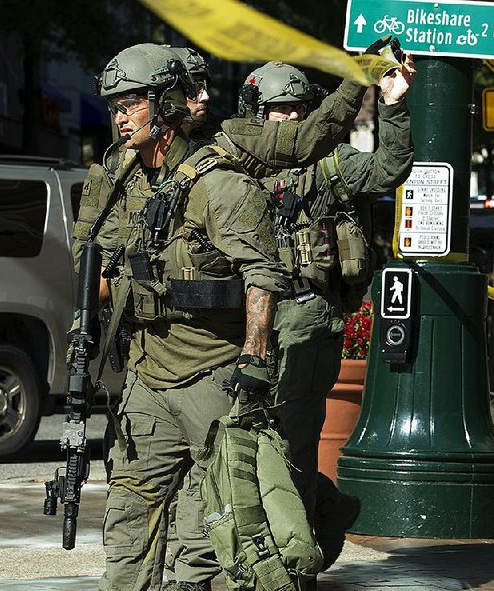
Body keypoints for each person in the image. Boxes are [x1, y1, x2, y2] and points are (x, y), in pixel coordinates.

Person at [85, 43, 290, 591]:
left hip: (212, 379)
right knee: (127, 527)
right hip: (146, 378)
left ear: (167, 105)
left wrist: (254, 358)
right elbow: (99, 271)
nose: (120, 116)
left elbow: (263, 275)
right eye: (115, 106)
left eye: (131, 103)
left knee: (207, 539)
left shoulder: (220, 186)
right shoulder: (122, 187)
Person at [234, 49, 415, 573]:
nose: (287, 118)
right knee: (245, 440)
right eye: (275, 110)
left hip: (305, 318)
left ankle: (300, 552)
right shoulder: (234, 165)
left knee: (293, 439)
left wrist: (393, 105)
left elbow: (389, 170)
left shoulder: (330, 163)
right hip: (244, 322)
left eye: (295, 108)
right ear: (256, 115)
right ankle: (317, 519)